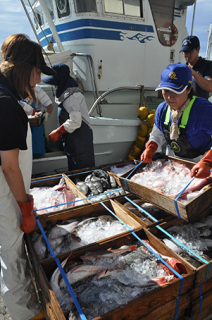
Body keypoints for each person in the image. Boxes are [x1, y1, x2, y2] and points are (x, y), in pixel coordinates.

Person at [0, 34, 55, 320]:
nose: (36, 81)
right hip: (5, 195)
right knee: (12, 257)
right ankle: (27, 315)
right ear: (23, 67)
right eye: (36, 73)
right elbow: (9, 166)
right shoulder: (6, 103)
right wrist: (25, 207)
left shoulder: (5, 94)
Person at [140, 63, 212, 172]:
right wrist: (151, 147)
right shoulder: (162, 109)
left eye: (176, 91)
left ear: (189, 89)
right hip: (173, 164)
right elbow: (157, 134)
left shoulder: (204, 110)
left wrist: (208, 161)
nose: (169, 97)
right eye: (166, 90)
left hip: (200, 164)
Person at [42, 63, 95, 171]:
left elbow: (75, 121)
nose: (55, 86)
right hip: (73, 141)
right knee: (75, 169)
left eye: (55, 83)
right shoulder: (66, 92)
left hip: (80, 141)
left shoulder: (72, 95)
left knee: (83, 171)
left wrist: (58, 131)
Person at [26, 85, 54, 155]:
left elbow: (50, 106)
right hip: (23, 123)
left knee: (36, 145)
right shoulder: (16, 89)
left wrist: (46, 115)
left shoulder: (37, 90)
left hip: (36, 124)